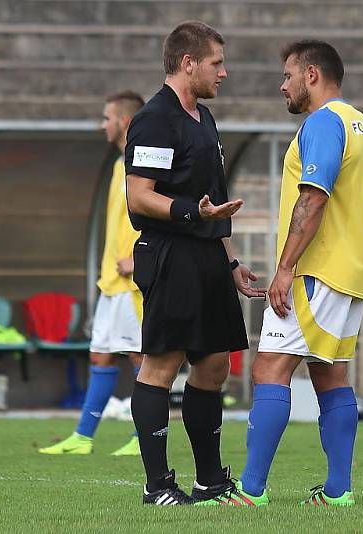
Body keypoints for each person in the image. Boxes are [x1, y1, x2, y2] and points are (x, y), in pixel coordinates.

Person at [202, 40, 363, 507]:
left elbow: (314, 197)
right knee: (330, 375)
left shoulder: (323, 122)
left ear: (312, 74)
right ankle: (339, 492)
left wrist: (285, 269)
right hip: (350, 270)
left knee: (269, 368)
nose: (283, 86)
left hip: (315, 272)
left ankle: (251, 490)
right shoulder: (362, 124)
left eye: (288, 76)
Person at [124, 21, 266, 505]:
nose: (223, 73)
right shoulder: (154, 118)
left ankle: (209, 481)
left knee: (213, 368)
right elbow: (139, 197)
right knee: (160, 366)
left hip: (207, 255)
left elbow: (215, 204)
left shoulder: (203, 118)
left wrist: (231, 262)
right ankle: (157, 485)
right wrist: (191, 213)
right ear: (189, 64)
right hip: (169, 254)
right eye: (216, 63)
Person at [38, 91, 145, 457]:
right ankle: (83, 436)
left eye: (106, 118)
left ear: (125, 122)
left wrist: (140, 259)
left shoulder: (145, 163)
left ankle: (142, 436)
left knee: (139, 357)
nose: (102, 124)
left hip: (136, 280)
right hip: (111, 279)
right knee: (100, 354)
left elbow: (159, 214)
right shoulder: (119, 164)